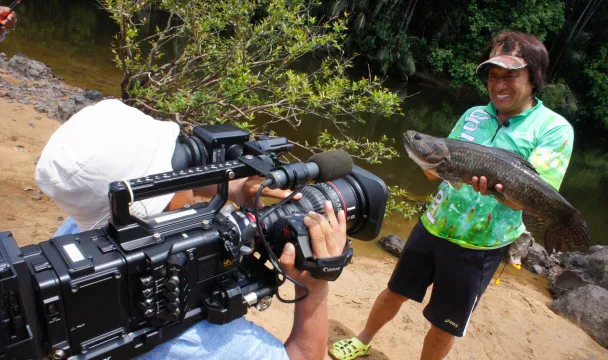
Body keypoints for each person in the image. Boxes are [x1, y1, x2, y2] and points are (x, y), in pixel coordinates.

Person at [35, 99, 348, 360]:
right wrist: (315, 284)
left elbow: (162, 200)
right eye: (179, 162)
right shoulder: (204, 346)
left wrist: (233, 188)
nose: (186, 168)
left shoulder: (75, 238)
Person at [330, 31, 575, 360]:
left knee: (445, 323)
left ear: (535, 77)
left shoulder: (553, 128)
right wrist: (426, 161)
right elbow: (435, 173)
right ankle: (363, 339)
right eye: (493, 75)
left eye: (510, 75)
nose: (499, 84)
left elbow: (534, 194)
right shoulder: (473, 115)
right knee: (394, 291)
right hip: (433, 226)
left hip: (480, 247)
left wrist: (504, 193)